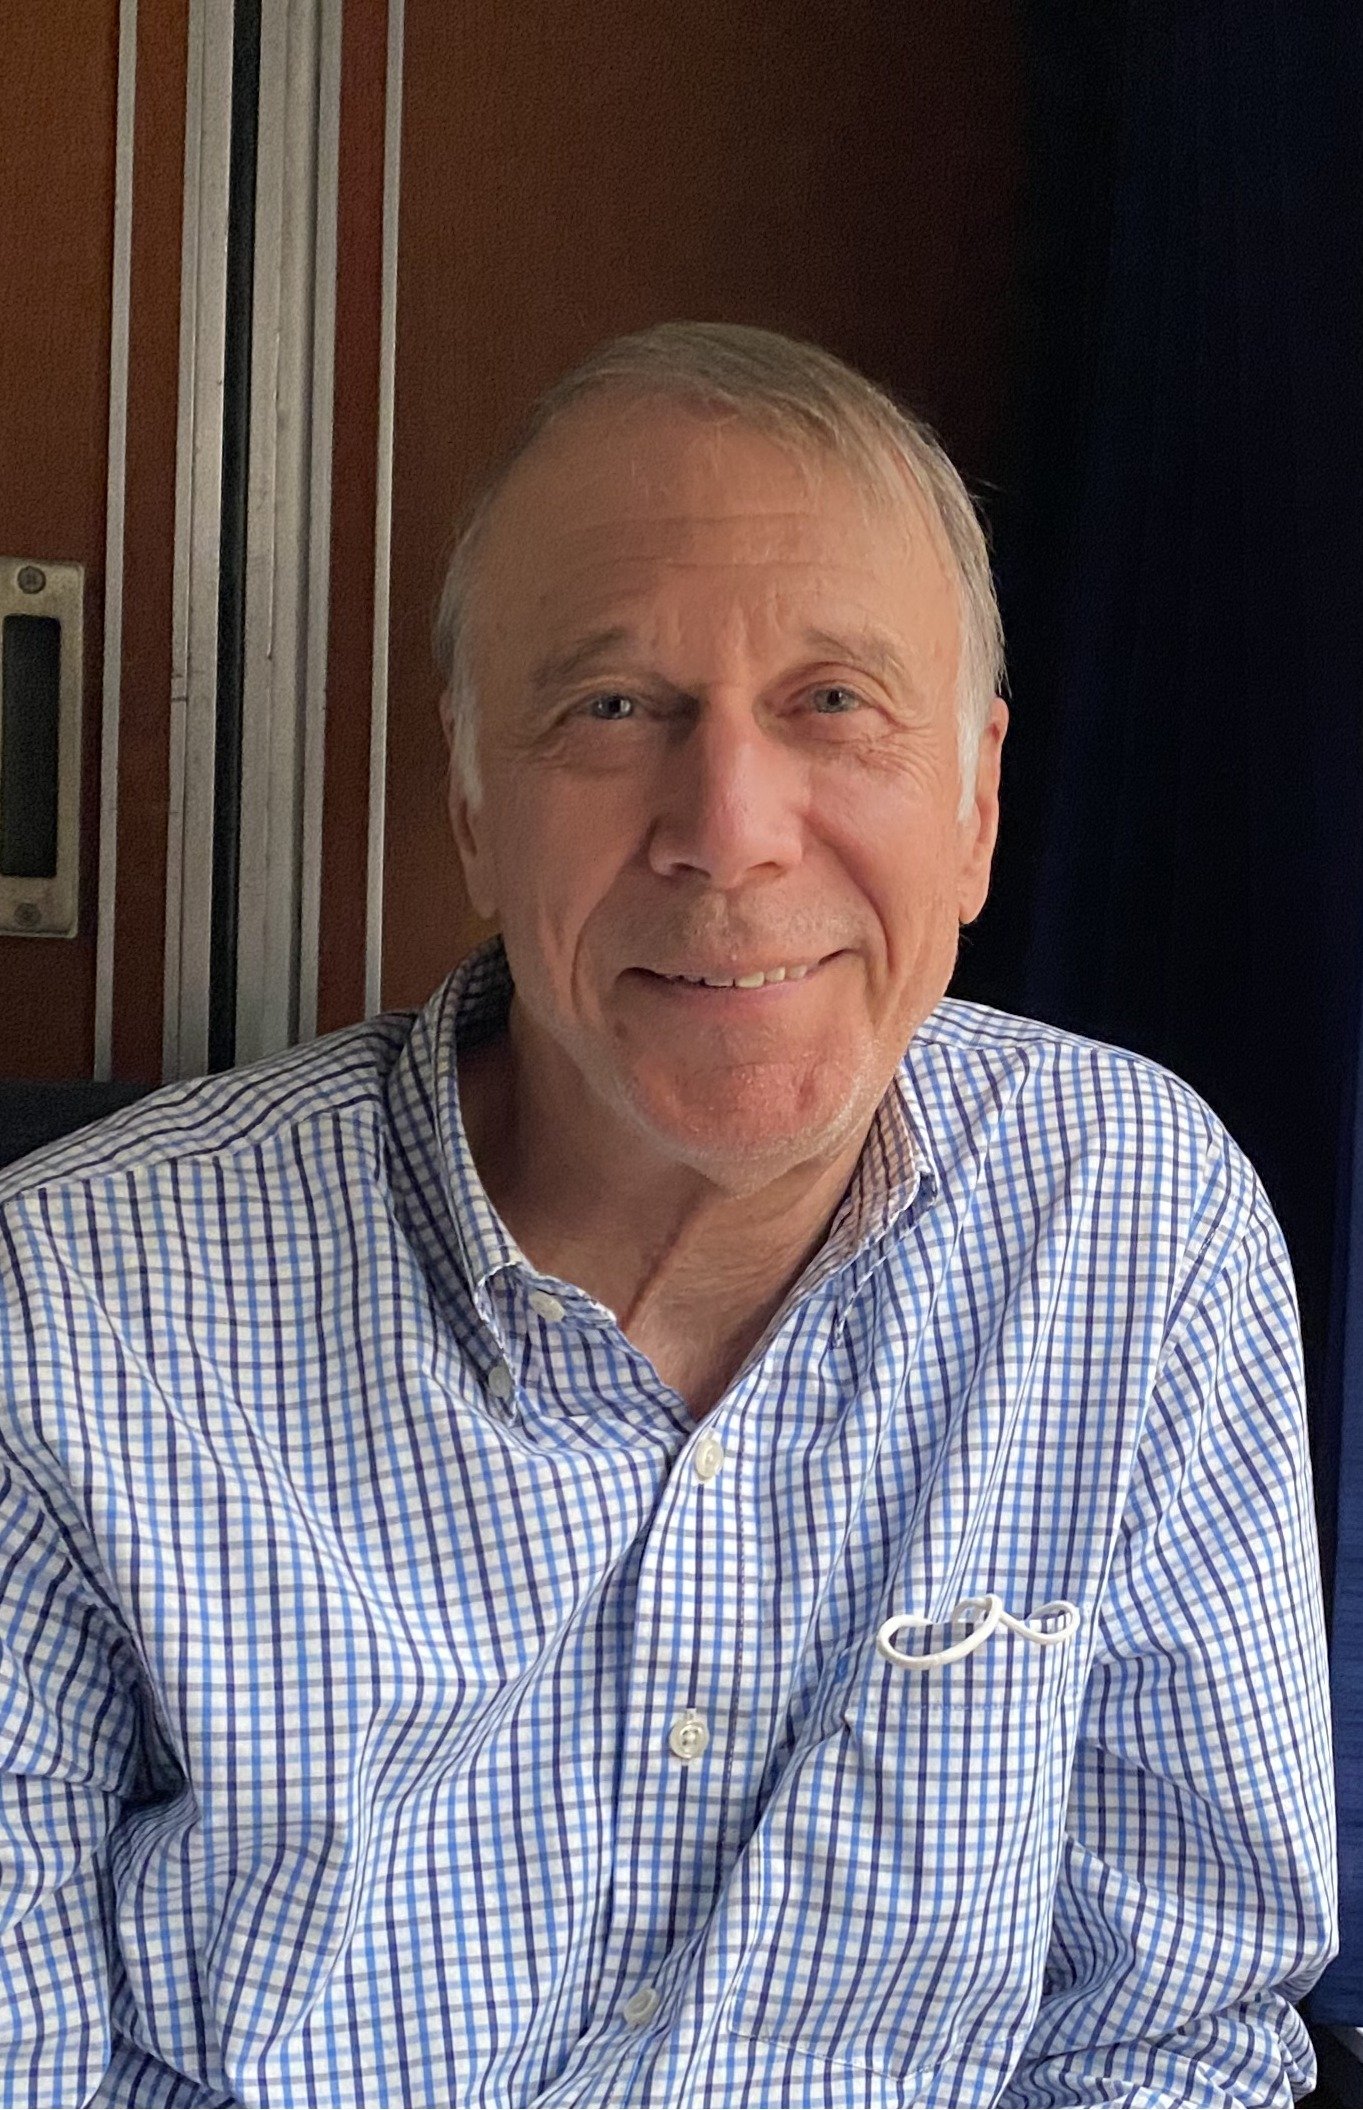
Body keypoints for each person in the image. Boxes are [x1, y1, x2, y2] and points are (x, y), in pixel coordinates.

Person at [0, 323, 1336, 2109]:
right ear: (475, 802)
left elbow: (1173, 2030)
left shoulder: (1142, 1229)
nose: (726, 830)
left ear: (978, 803)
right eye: (614, 707)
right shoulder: (67, 1307)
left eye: (835, 703)